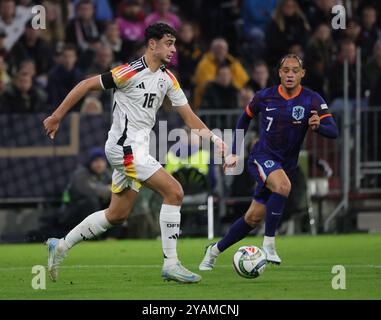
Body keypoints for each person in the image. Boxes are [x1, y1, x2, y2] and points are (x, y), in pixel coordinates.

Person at [43, 23, 226, 284]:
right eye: (168, 43)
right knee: (174, 192)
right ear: (152, 44)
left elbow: (190, 118)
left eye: (174, 43)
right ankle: (171, 264)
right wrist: (56, 116)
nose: (174, 49)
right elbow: (85, 85)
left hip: (136, 149)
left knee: (116, 215)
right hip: (124, 148)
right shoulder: (129, 72)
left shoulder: (167, 79)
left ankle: (60, 246)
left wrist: (216, 140)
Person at [199, 54, 338, 270]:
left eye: (295, 70)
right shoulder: (265, 97)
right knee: (283, 186)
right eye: (285, 70)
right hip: (261, 157)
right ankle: (269, 244)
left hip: (286, 165)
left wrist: (319, 126)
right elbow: (243, 119)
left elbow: (334, 131)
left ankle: (214, 250)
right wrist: (235, 151)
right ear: (279, 73)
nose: (290, 74)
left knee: (252, 218)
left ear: (302, 74)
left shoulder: (313, 99)